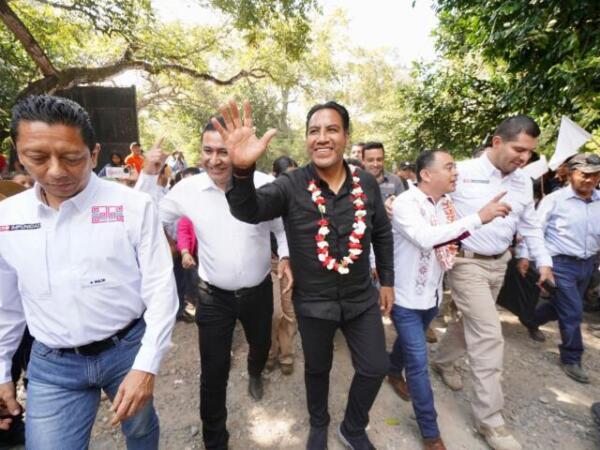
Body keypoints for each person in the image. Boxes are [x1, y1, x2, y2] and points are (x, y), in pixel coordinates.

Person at [0, 95, 178, 449]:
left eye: (71, 158)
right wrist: (1, 369)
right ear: (19, 154)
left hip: (126, 348)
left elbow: (160, 289)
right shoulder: (8, 218)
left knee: (141, 431)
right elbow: (7, 304)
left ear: (94, 153)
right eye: (37, 158)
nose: (55, 171)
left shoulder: (132, 206)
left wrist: (146, 365)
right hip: (53, 365)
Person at [221, 100, 394, 449]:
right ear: (306, 139)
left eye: (331, 129)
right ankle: (319, 423)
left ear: (346, 136)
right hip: (314, 304)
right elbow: (248, 209)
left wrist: (387, 280)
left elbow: (382, 232)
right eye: (314, 131)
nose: (322, 138)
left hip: (361, 298)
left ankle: (353, 428)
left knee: (375, 367)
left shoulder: (365, 182)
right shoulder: (291, 185)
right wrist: (240, 170)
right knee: (317, 369)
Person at [136, 118, 291, 450]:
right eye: (208, 151)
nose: (215, 159)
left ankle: (254, 371)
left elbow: (281, 228)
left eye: (224, 151)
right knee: (213, 371)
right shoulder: (187, 189)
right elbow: (146, 215)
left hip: (259, 291)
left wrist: (288, 257)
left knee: (260, 344)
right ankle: (215, 440)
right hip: (212, 296)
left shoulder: (264, 184)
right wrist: (149, 174)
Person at [431, 115, 553, 450]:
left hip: (500, 264)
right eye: (519, 149)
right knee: (487, 333)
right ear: (497, 142)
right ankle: (491, 422)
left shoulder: (523, 182)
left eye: (529, 152)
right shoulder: (462, 172)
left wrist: (544, 261)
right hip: (465, 262)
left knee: (469, 322)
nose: (524, 157)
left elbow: (529, 226)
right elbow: (431, 205)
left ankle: (442, 361)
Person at [388, 149, 511, 450]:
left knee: (408, 344)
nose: (456, 172)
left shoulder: (447, 205)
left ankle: (391, 370)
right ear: (426, 175)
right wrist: (478, 219)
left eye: (455, 167)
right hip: (404, 298)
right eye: (449, 167)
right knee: (418, 362)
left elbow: (449, 241)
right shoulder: (406, 203)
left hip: (431, 295)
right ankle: (431, 432)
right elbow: (427, 238)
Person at [524, 153, 600, 383]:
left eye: (595, 175)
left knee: (563, 306)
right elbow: (534, 230)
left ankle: (531, 319)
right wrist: (527, 257)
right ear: (570, 174)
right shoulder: (554, 201)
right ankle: (571, 357)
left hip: (588, 264)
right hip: (559, 264)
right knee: (574, 310)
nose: (590, 180)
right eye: (585, 175)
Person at [266, 156, 299, 375]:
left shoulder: (304, 198)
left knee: (288, 310)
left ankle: (287, 355)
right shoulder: (267, 197)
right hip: (269, 261)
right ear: (275, 175)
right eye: (286, 175)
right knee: (273, 312)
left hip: (292, 262)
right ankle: (269, 353)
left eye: (295, 174)